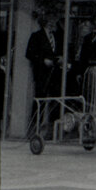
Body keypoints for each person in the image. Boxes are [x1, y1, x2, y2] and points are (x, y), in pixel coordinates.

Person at [25, 8, 62, 137]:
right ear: (44, 22)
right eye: (50, 21)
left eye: (54, 21)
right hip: (42, 74)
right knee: (39, 100)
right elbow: (29, 54)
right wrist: (43, 61)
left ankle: (53, 130)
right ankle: (35, 129)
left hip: (55, 74)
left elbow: (59, 53)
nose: (52, 23)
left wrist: (60, 59)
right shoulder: (36, 36)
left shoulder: (57, 37)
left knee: (54, 101)